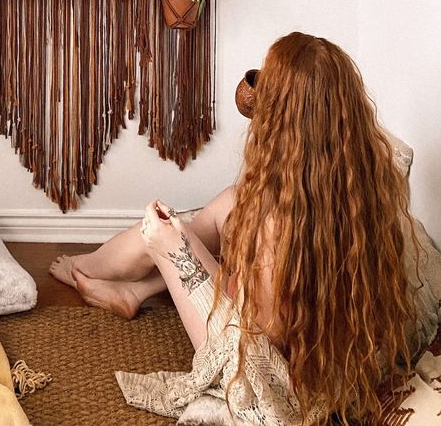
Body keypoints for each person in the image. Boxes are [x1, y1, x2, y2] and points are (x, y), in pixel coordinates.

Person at [50, 32, 438, 425]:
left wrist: (183, 253)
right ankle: (136, 286)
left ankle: (91, 268)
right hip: (316, 345)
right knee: (227, 202)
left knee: (167, 233)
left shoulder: (280, 222)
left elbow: (260, 334)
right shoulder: (360, 180)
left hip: (260, 370)